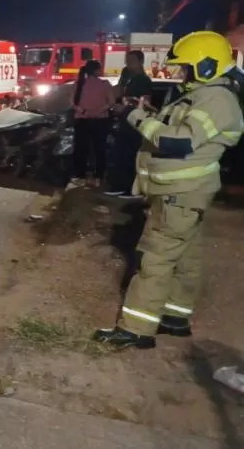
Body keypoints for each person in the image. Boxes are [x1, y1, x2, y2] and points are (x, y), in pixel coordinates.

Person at [93, 31, 244, 349]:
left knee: (156, 258)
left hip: (180, 193)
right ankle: (175, 318)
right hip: (185, 193)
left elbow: (177, 141)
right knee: (185, 256)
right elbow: (175, 128)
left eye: (188, 67)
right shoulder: (206, 95)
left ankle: (136, 328)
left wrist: (133, 116)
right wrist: (146, 113)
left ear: (207, 65)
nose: (184, 73)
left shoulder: (217, 99)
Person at [106, 51, 154, 198]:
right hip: (124, 120)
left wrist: (126, 108)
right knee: (120, 154)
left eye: (131, 60)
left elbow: (145, 103)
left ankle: (133, 189)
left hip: (135, 122)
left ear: (140, 61)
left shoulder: (144, 80)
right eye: (127, 60)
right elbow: (118, 92)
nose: (128, 63)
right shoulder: (128, 77)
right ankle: (120, 186)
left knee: (132, 155)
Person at [71, 60, 116, 187]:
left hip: (82, 120)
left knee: (81, 149)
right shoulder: (105, 84)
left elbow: (72, 103)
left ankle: (81, 177)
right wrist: (99, 110)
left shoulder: (79, 84)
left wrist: (84, 111)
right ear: (97, 70)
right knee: (99, 150)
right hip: (100, 121)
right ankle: (98, 178)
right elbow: (111, 102)